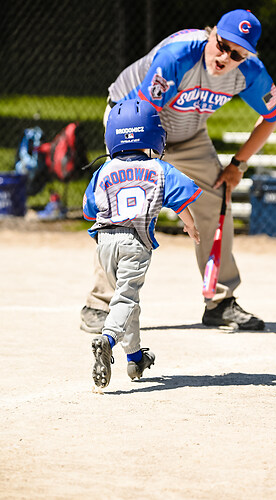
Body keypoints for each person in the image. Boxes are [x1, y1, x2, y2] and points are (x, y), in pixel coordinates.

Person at [81, 8, 276, 334]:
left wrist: (237, 164)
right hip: (132, 123)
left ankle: (220, 301)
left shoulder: (248, 72)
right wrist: (147, 170)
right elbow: (144, 111)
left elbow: (274, 113)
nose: (226, 56)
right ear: (212, 33)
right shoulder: (179, 55)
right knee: (126, 203)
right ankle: (99, 304)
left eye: (237, 53)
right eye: (222, 45)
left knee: (216, 197)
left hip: (187, 132)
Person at [83, 98, 201, 388]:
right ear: (155, 136)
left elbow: (89, 209)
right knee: (126, 298)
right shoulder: (159, 169)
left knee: (127, 299)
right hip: (134, 243)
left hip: (104, 243)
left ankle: (135, 358)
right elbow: (180, 199)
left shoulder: (103, 171)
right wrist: (190, 225)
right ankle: (107, 339)